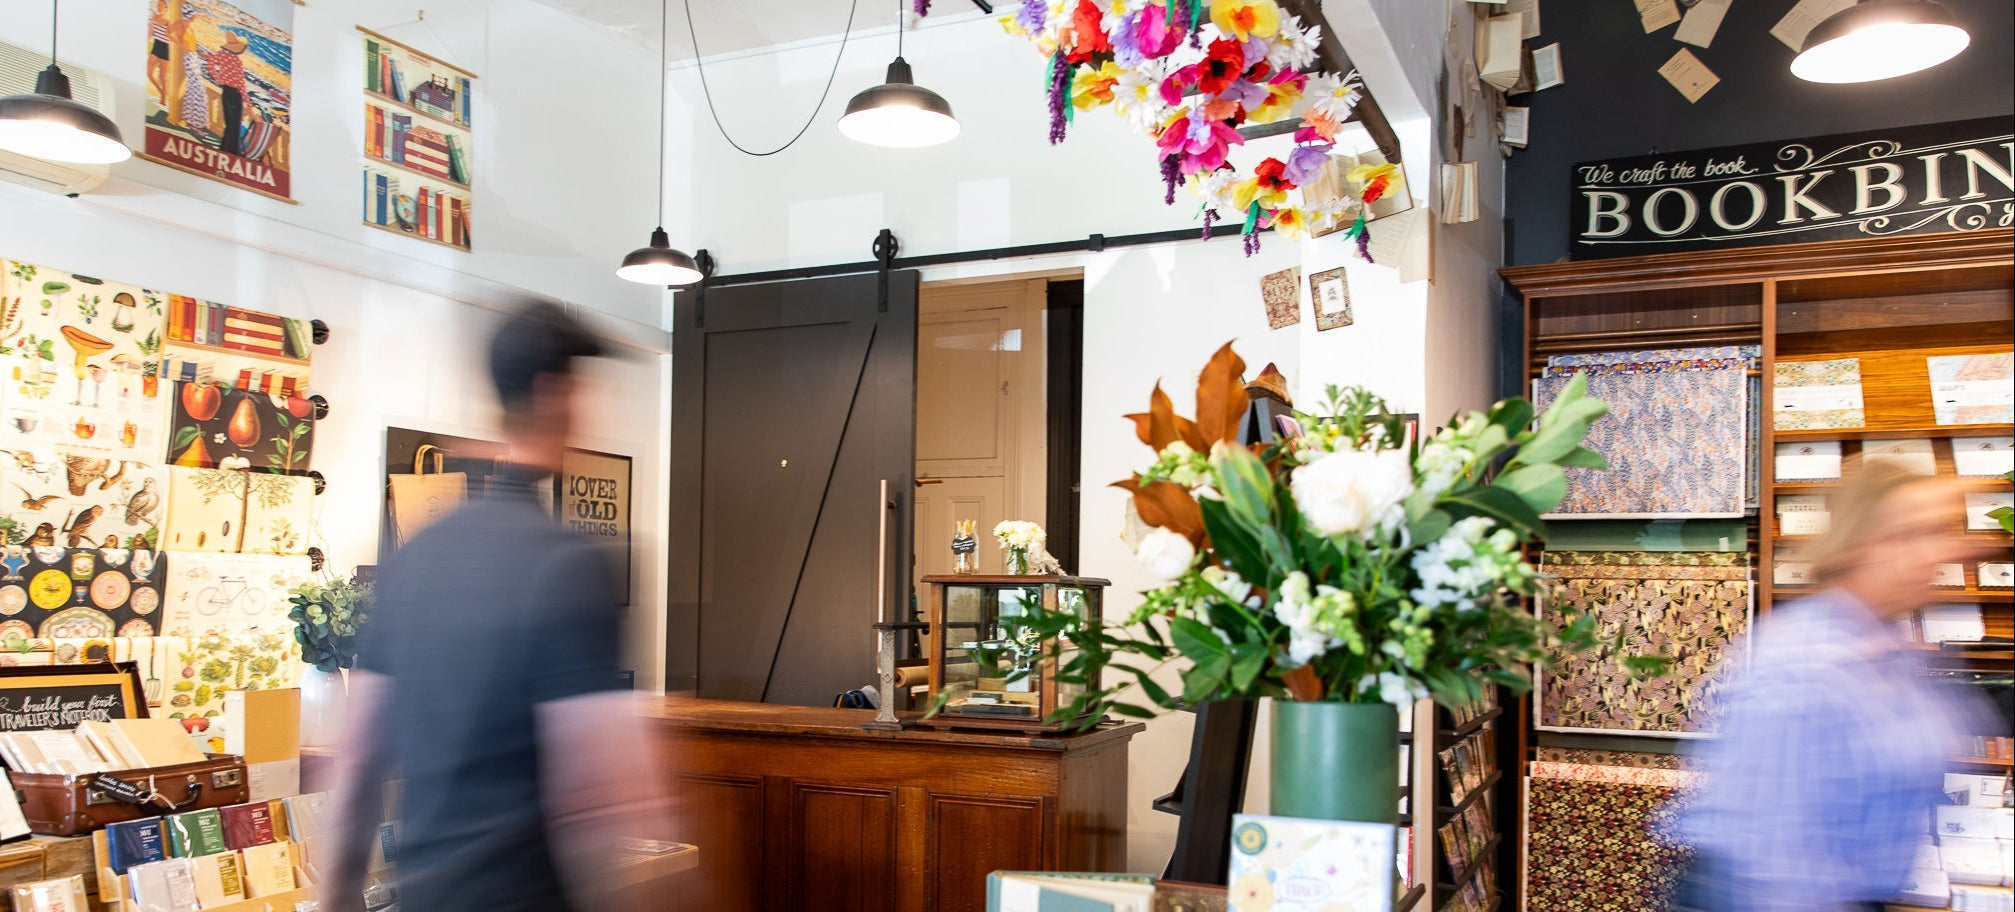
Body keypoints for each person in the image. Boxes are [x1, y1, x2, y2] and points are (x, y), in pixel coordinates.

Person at [322, 301, 671, 912]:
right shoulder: (566, 564)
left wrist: (335, 902)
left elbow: (356, 769)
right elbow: (598, 795)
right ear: (554, 392)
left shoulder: (412, 561)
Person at [1676, 461, 1993, 912]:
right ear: (1857, 544)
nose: (1937, 553)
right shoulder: (1798, 664)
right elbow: (1772, 864)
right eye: (1910, 535)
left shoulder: (1891, 649)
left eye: (1941, 532)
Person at [205, 32, 251, 156]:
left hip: (226, 92)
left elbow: (210, 63)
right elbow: (241, 85)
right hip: (235, 95)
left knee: (229, 125)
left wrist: (218, 78)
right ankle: (230, 154)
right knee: (234, 127)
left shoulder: (220, 55)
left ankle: (223, 150)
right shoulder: (237, 62)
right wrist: (248, 104)